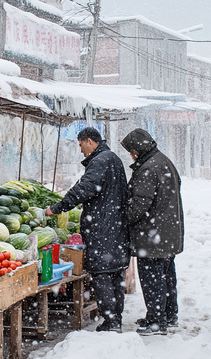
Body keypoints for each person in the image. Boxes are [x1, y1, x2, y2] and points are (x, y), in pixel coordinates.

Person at [46, 127, 130, 333]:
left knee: (102, 274)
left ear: (90, 142)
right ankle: (115, 318)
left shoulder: (100, 161)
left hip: (102, 228)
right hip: (115, 226)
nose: (81, 149)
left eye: (81, 144)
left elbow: (84, 188)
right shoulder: (112, 159)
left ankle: (110, 321)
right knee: (115, 274)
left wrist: (57, 208)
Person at [120, 128, 184, 336]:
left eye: (131, 151)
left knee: (152, 278)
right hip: (168, 231)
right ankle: (169, 314)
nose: (131, 155)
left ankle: (156, 321)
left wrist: (123, 219)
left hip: (153, 235)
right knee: (166, 276)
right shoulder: (163, 161)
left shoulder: (148, 168)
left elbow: (139, 204)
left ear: (138, 149)